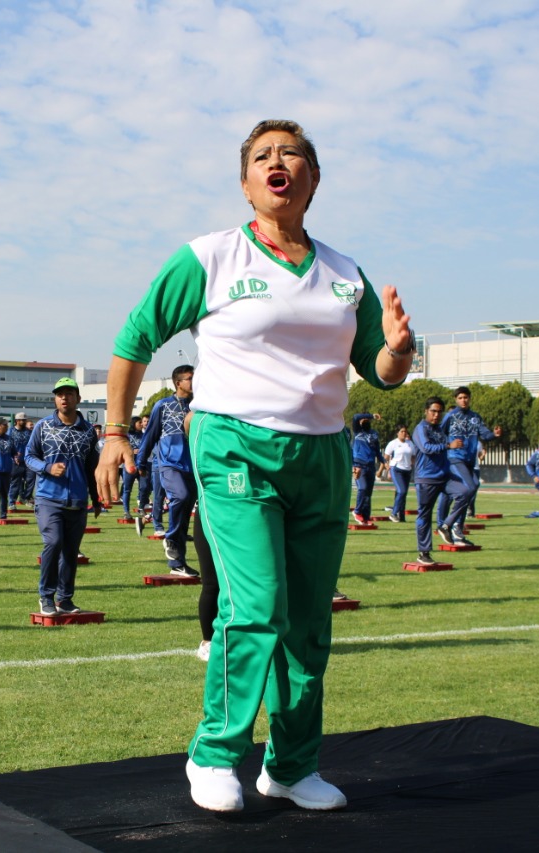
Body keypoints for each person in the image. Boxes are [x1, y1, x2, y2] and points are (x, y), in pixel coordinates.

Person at [95, 119, 413, 814]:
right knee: (257, 602)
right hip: (234, 444)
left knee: (307, 620)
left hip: (322, 453)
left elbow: (378, 371)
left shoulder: (342, 272)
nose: (278, 163)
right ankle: (214, 753)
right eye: (262, 156)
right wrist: (116, 430)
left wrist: (398, 350)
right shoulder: (209, 257)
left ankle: (292, 766)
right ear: (246, 183)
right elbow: (135, 337)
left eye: (291, 153)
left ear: (313, 178)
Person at [26, 378, 99, 615]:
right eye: (59, 394)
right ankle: (46, 596)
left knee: (70, 551)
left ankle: (65, 599)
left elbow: (91, 467)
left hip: (77, 500)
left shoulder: (88, 431)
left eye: (69, 393)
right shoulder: (43, 426)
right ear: (55, 399)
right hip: (48, 498)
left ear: (78, 398)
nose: (64, 398)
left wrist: (96, 498)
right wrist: (47, 468)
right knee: (53, 542)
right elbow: (29, 456)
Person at [137, 366, 198, 577]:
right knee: (180, 497)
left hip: (195, 466)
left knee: (185, 512)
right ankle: (170, 538)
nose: (194, 381)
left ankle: (178, 562)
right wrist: (141, 462)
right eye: (190, 379)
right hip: (170, 464)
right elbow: (150, 435)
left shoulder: (199, 405)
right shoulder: (162, 405)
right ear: (178, 383)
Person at [436, 386, 496, 545]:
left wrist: (494, 434)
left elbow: (484, 434)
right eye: (460, 397)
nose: (464, 400)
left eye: (466, 397)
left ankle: (456, 528)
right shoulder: (450, 416)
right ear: (456, 399)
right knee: (468, 488)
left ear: (470, 399)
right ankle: (448, 524)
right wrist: (449, 445)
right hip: (455, 458)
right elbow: (439, 434)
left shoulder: (475, 417)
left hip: (470, 460)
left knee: (472, 488)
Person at [412, 397, 468, 566]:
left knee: (465, 492)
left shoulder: (439, 430)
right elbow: (426, 448)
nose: (436, 415)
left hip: (444, 476)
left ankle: (445, 525)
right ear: (426, 411)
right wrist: (448, 446)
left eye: (439, 412)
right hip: (426, 478)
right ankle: (424, 553)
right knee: (425, 515)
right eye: (433, 411)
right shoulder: (420, 428)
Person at [349, 413, 384, 524]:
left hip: (370, 466)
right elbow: (355, 417)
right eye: (363, 419)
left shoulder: (374, 433)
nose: (364, 420)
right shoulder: (358, 431)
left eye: (366, 419)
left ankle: (366, 518)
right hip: (359, 465)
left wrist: (383, 461)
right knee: (362, 488)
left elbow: (377, 449)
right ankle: (357, 511)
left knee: (368, 494)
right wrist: (371, 415)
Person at [383, 424, 414, 523]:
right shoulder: (393, 443)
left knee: (402, 494)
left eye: (405, 431)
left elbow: (413, 456)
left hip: (407, 470)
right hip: (396, 469)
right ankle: (394, 513)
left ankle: (401, 516)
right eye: (402, 431)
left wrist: (413, 465)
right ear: (397, 433)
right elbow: (386, 456)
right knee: (402, 491)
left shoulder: (410, 443)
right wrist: (386, 466)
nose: (404, 433)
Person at [120, 416, 147, 521]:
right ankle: (126, 511)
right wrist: (132, 451)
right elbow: (122, 449)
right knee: (127, 489)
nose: (141, 424)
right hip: (129, 466)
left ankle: (141, 507)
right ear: (133, 423)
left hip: (142, 466)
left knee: (144, 488)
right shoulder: (126, 436)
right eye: (139, 422)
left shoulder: (144, 435)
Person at [8, 412, 32, 507]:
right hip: (16, 461)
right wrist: (13, 456)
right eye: (22, 420)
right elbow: (8, 445)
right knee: (15, 482)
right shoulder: (11, 431)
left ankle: (25, 498)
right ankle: (11, 502)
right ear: (17, 421)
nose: (23, 422)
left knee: (30, 479)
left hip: (28, 460)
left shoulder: (29, 432)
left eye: (25, 420)